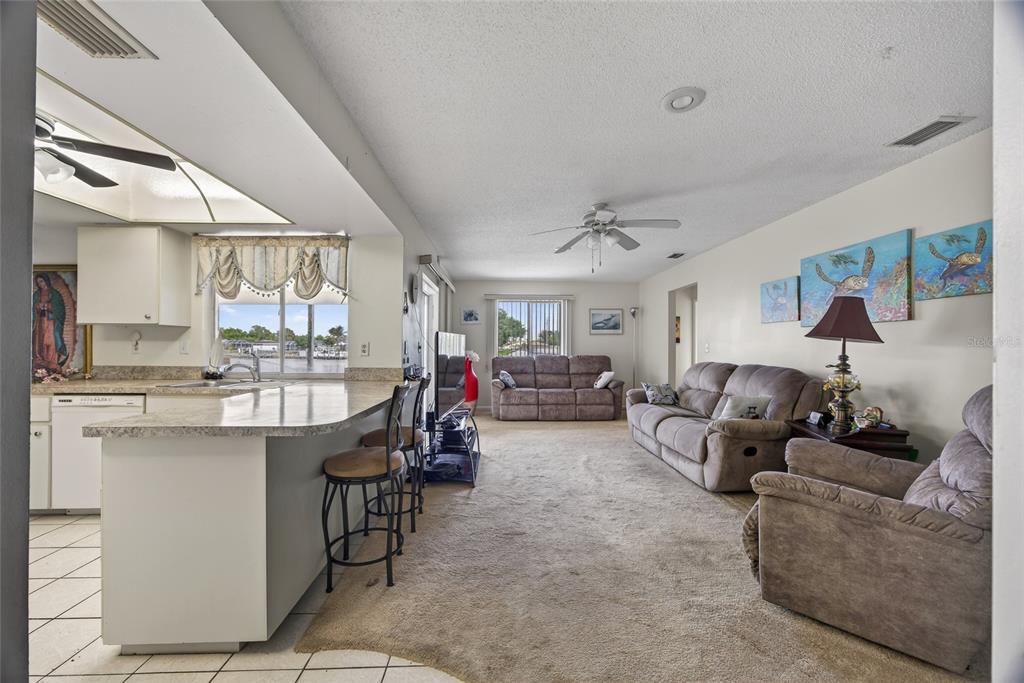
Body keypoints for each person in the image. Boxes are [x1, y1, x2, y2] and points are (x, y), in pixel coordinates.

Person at [33, 273, 68, 373]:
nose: (40, 284)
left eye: (41, 281)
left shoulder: (55, 294)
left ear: (46, 281)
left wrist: (49, 306)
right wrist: (37, 306)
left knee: (51, 342)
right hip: (40, 322)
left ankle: (52, 363)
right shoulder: (36, 294)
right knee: (40, 342)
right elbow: (31, 307)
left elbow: (60, 309)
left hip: (51, 322)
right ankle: (41, 365)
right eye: (38, 282)